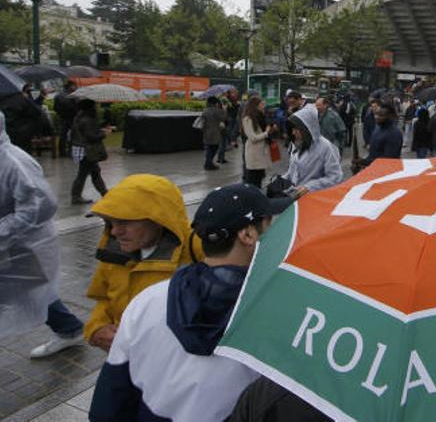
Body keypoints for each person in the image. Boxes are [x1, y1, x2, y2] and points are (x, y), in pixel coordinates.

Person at [89, 184, 290, 422]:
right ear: (248, 234)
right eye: (270, 225)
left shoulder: (147, 300)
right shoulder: (279, 317)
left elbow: (112, 397)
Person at [83, 174, 203, 352]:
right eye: (110, 222)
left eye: (125, 221)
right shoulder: (114, 252)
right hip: (128, 358)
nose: (115, 231)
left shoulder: (198, 250)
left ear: (159, 220)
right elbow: (104, 298)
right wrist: (96, 328)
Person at [0, 111, 84, 356]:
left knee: (32, 288)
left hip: (23, 242)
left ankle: (68, 329)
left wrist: (3, 229)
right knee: (29, 288)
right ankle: (68, 328)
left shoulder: (12, 161)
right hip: (10, 241)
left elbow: (40, 205)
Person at [284, 104, 344, 197]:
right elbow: (292, 171)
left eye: (297, 129)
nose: (293, 132)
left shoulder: (326, 147)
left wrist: (310, 187)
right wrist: (281, 181)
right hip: (295, 197)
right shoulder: (297, 144)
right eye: (292, 129)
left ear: (307, 128)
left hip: (314, 198)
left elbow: (335, 177)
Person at [70, 99, 109, 205]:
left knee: (94, 171)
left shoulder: (80, 117)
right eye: (95, 106)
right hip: (87, 150)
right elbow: (91, 136)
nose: (96, 108)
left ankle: (104, 193)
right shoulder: (87, 120)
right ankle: (76, 197)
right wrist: (104, 134)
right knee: (84, 173)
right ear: (90, 107)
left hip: (82, 149)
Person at [242, 97, 277, 189]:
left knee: (259, 178)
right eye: (262, 104)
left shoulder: (261, 117)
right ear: (255, 106)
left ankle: (256, 197)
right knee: (253, 179)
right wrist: (266, 133)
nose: (263, 107)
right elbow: (252, 137)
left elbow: (264, 131)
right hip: (254, 153)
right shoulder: (248, 119)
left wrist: (272, 129)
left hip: (262, 152)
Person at [0, 84, 43, 152]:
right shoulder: (20, 97)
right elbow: (37, 112)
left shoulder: (3, 99)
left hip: (4, 135)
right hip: (20, 133)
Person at [357, 103, 402, 168]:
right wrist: (363, 161)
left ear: (390, 116)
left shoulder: (394, 133)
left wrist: (365, 162)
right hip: (373, 168)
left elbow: (388, 158)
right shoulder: (377, 129)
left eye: (381, 115)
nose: (377, 117)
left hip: (385, 170)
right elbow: (374, 153)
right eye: (376, 114)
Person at [201, 96, 227, 170]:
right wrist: (224, 109)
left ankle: (208, 163)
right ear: (215, 103)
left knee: (208, 148)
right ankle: (208, 164)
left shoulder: (205, 110)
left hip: (206, 132)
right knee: (214, 148)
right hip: (215, 132)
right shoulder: (216, 110)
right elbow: (224, 117)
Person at [53, 81, 78, 157]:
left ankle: (62, 152)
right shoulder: (72, 95)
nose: (76, 87)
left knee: (62, 135)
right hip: (72, 117)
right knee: (74, 135)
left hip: (62, 118)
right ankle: (71, 151)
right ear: (70, 86)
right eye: (74, 86)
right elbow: (75, 108)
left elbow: (55, 108)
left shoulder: (58, 95)